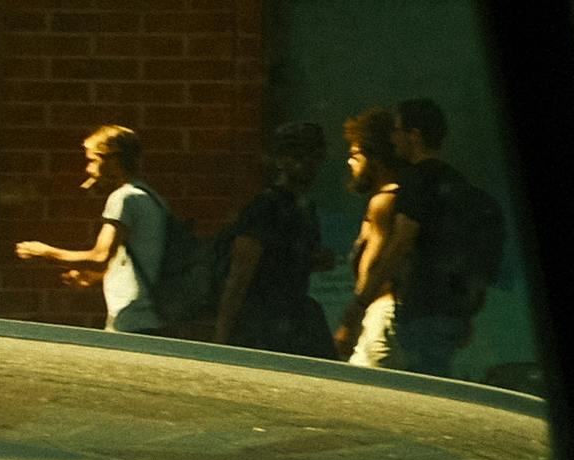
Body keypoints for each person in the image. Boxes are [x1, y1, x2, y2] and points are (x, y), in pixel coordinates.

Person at [14, 124, 185, 337]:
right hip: (154, 316)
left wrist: (44, 252)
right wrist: (95, 276)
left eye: (93, 160)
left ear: (113, 159)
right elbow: (139, 255)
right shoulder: (152, 199)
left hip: (131, 317)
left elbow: (100, 256)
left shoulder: (123, 198)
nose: (88, 169)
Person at [385, 95, 502, 376]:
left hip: (423, 306)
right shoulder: (459, 185)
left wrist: (362, 300)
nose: (393, 138)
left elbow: (402, 242)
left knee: (421, 388)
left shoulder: (416, 181)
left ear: (414, 136)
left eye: (398, 130)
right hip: (454, 311)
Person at [206, 120, 339, 359]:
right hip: (261, 326)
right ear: (281, 160)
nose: (307, 162)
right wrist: (221, 339)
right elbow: (239, 276)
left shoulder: (304, 210)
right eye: (297, 154)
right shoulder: (266, 207)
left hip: (289, 324)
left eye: (313, 155)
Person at [339, 104, 418, 368]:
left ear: (374, 157)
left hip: (383, 310)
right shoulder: (405, 197)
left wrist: (354, 313)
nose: (350, 162)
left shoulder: (385, 202)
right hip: (397, 315)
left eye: (356, 154)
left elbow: (378, 264)